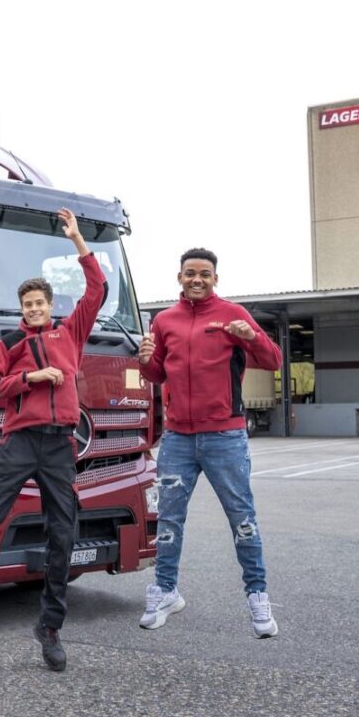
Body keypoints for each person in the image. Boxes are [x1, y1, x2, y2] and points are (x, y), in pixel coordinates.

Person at [0, 208, 106, 672]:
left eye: (39, 303)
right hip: (19, 442)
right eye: (27, 304)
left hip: (58, 446)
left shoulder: (71, 332)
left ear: (50, 305)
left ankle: (49, 628)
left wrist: (78, 242)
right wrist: (31, 376)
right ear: (22, 309)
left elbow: (98, 291)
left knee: (62, 536)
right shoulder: (8, 342)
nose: (33, 309)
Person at [137, 247, 283, 637]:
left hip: (225, 435)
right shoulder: (165, 321)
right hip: (178, 439)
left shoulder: (233, 314)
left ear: (215, 278)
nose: (196, 279)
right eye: (189, 273)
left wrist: (250, 336)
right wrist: (145, 359)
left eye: (204, 273)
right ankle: (165, 590)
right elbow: (156, 374)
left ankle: (258, 598)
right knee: (168, 518)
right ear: (179, 276)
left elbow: (274, 361)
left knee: (242, 518)